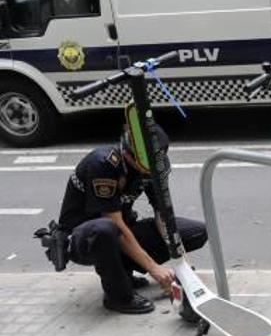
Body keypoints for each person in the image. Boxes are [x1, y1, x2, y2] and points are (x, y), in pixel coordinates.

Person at [54, 124, 207, 314]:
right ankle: (118, 297)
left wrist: (185, 268)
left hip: (120, 229)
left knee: (196, 232)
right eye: (145, 167)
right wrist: (154, 269)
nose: (149, 172)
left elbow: (163, 216)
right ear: (127, 154)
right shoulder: (104, 164)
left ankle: (123, 271)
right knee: (106, 229)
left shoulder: (155, 166)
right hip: (85, 238)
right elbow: (114, 222)